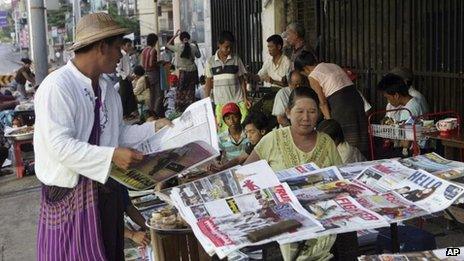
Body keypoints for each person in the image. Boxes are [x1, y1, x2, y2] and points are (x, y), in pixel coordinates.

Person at [34, 13, 171, 261]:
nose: (121, 55)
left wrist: (154, 127)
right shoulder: (58, 86)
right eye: (118, 48)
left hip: (105, 193)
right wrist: (111, 156)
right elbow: (60, 146)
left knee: (108, 253)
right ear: (101, 47)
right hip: (69, 196)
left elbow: (117, 134)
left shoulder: (107, 87)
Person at [245, 87, 358, 261]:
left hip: (323, 224)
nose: (306, 118)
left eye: (312, 111)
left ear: (318, 114)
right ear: (288, 112)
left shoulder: (327, 142)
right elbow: (245, 175)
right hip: (282, 228)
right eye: (300, 111)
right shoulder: (272, 139)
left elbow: (340, 182)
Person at [295, 51, 369, 156]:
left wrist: (329, 122)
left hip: (341, 103)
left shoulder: (313, 76)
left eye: (303, 74)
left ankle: (349, 161)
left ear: (305, 68)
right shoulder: (333, 65)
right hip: (355, 99)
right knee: (360, 133)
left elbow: (323, 103)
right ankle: (362, 159)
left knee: (345, 137)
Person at [205, 31, 251, 132]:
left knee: (243, 129)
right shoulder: (210, 62)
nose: (229, 50)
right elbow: (208, 83)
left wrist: (245, 97)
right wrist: (206, 102)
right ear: (219, 45)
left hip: (237, 101)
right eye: (226, 47)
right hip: (221, 103)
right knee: (223, 134)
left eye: (231, 47)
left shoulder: (236, 59)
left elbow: (241, 79)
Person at [166, 30, 201, 112]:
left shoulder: (178, 47)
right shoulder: (193, 47)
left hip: (183, 73)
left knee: (181, 91)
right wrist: (196, 45)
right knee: (191, 91)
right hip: (193, 71)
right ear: (189, 38)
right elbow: (199, 56)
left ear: (181, 39)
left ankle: (180, 109)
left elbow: (167, 45)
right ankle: (191, 108)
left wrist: (175, 36)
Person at [141, 33, 164, 118]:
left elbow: (143, 64)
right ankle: (156, 113)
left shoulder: (144, 50)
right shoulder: (153, 50)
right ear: (155, 41)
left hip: (147, 74)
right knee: (159, 95)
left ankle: (151, 114)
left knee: (152, 95)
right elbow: (151, 63)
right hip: (154, 73)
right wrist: (160, 63)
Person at [117, 38, 138, 119]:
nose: (130, 47)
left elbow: (128, 67)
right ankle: (124, 114)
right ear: (123, 46)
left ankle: (129, 113)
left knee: (129, 95)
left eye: (130, 45)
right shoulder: (121, 55)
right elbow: (118, 68)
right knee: (124, 96)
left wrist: (131, 75)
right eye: (128, 45)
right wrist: (126, 76)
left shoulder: (127, 55)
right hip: (123, 78)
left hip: (128, 78)